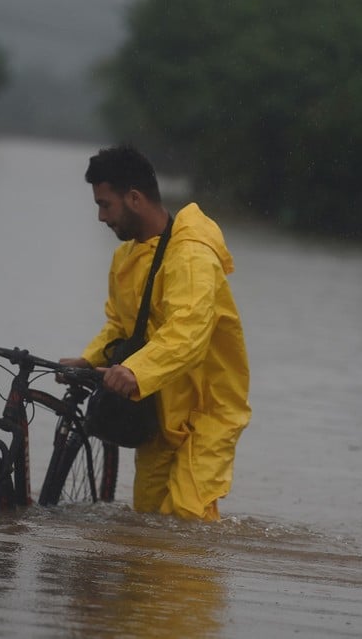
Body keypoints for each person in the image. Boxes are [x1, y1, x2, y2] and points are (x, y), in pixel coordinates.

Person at [61, 145, 251, 522]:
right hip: (158, 410)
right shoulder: (127, 258)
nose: (100, 217)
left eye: (105, 205)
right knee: (148, 523)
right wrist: (89, 359)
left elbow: (188, 334)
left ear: (134, 198)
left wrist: (134, 372)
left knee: (185, 520)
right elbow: (120, 325)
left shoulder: (191, 255)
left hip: (205, 414)